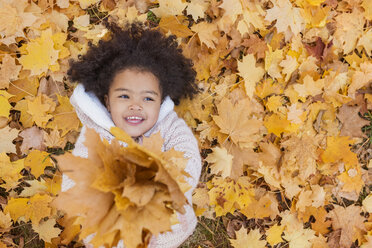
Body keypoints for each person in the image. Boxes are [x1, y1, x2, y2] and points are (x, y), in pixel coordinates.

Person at [60, 22, 202, 248]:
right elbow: (76, 179)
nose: (136, 106)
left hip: (165, 228)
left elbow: (188, 159)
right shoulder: (93, 137)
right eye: (125, 96)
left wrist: (160, 184)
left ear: (161, 101)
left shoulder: (170, 127)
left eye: (147, 99)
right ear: (107, 100)